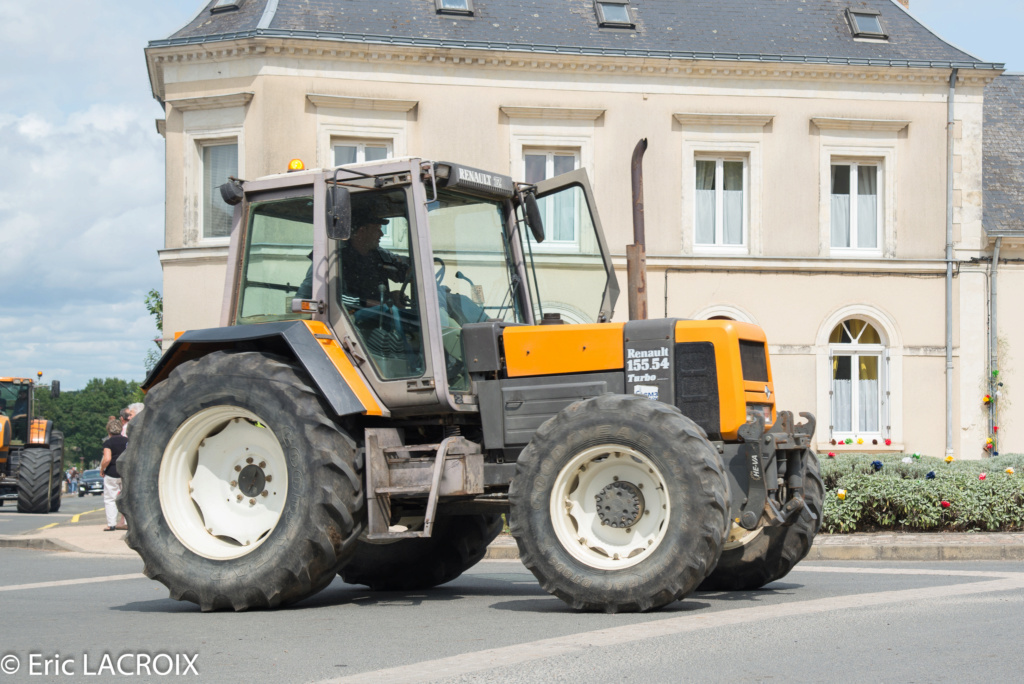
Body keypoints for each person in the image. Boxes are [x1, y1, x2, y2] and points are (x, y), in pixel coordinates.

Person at [99, 418, 127, 531]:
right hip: (125, 472)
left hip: (112, 472)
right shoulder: (128, 441)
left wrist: (102, 469)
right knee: (126, 497)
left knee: (110, 499)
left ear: (109, 431)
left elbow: (107, 459)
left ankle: (111, 524)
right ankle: (126, 522)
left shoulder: (108, 443)